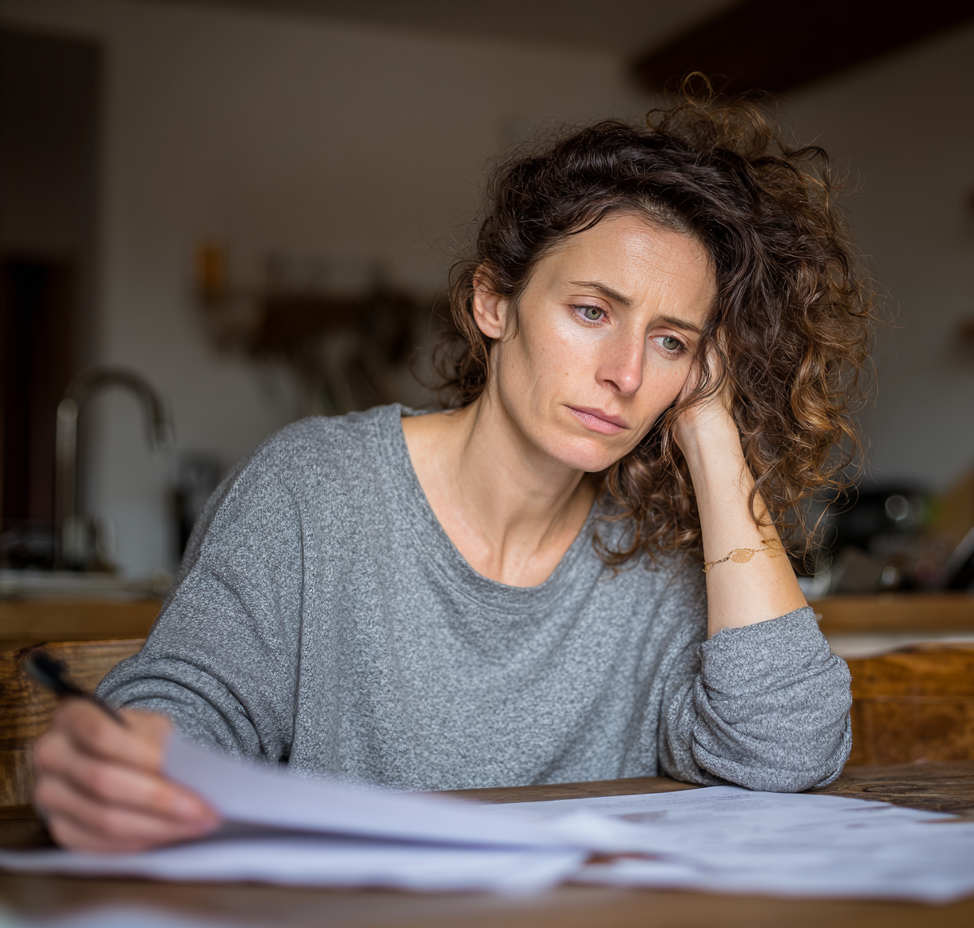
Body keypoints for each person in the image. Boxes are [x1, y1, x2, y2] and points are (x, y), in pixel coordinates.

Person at [32, 95, 874, 852]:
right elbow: (186, 707)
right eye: (591, 311)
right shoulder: (313, 489)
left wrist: (710, 430)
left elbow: (786, 748)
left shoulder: (657, 552)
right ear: (492, 303)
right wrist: (121, 759)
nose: (625, 371)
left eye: (670, 341)